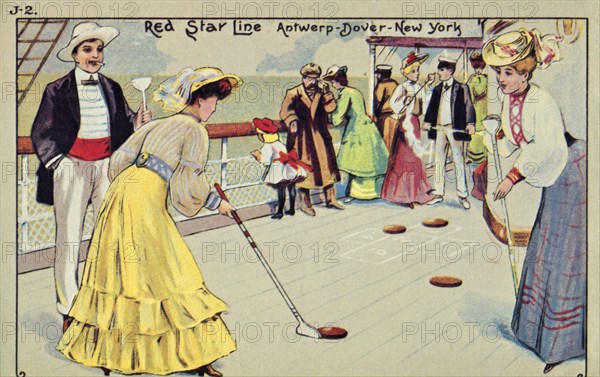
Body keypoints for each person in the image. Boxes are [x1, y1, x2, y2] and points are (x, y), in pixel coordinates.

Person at [56, 67, 242, 376]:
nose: (214, 108)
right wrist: (216, 202)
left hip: (121, 192)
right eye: (213, 101)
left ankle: (109, 350)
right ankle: (194, 354)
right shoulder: (195, 130)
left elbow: (120, 159)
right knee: (169, 268)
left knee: (118, 270)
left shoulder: (159, 123)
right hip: (145, 198)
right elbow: (188, 181)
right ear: (199, 101)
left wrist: (129, 185)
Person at [30, 22, 151, 332]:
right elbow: (41, 132)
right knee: (69, 240)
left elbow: (122, 126)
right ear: (74, 55)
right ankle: (69, 309)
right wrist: (58, 163)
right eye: (87, 50)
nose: (95, 55)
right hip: (71, 166)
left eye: (98, 50)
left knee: (109, 237)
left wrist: (137, 121)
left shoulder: (112, 87)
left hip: (106, 168)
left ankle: (106, 304)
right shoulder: (56, 90)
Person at [482, 28, 586, 374]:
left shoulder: (542, 101)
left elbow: (544, 147)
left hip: (572, 173)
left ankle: (564, 341)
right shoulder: (514, 98)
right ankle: (537, 334)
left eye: (508, 72)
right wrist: (495, 135)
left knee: (563, 250)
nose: (501, 78)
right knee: (545, 245)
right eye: (499, 71)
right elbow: (518, 139)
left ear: (526, 72)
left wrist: (512, 177)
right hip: (554, 174)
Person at [279, 63, 344, 216]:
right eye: (308, 78)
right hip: (302, 138)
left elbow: (330, 108)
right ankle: (305, 204)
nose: (312, 82)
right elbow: (284, 111)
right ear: (303, 78)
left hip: (320, 135)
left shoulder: (322, 93)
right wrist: (292, 120)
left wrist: (327, 93)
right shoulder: (293, 93)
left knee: (327, 167)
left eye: (314, 78)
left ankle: (331, 199)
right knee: (305, 170)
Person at [323, 65, 388, 201]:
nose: (332, 85)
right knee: (369, 161)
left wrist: (328, 112)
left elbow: (337, 119)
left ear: (337, 81)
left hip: (357, 130)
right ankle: (373, 192)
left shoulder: (345, 94)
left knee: (358, 161)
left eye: (333, 81)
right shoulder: (355, 91)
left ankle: (359, 193)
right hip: (367, 127)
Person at [381, 52, 435, 208]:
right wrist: (405, 100)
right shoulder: (402, 87)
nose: (416, 74)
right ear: (406, 72)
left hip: (415, 124)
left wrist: (429, 85)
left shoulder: (419, 87)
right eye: (413, 71)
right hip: (405, 125)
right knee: (404, 158)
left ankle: (416, 194)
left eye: (418, 71)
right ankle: (404, 195)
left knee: (415, 158)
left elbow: (426, 104)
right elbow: (394, 105)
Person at [423, 52, 476, 209]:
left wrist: (471, 123)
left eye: (442, 70)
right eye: (439, 70)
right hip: (440, 129)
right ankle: (438, 193)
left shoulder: (462, 88)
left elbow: (469, 105)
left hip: (455, 129)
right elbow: (432, 108)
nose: (439, 73)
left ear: (450, 71)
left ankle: (462, 196)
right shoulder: (438, 89)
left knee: (459, 160)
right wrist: (427, 122)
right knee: (439, 160)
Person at [250, 118, 308, 219]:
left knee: (281, 189)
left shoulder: (267, 146)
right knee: (291, 187)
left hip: (278, 169)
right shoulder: (279, 143)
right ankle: (292, 209)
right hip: (288, 167)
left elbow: (265, 161)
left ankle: (280, 211)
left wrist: (257, 155)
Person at [466, 52, 489, 163]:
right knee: (479, 133)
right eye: (476, 67)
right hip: (481, 109)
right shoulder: (486, 79)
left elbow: (469, 96)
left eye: (479, 67)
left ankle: (477, 158)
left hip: (479, 109)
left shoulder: (473, 80)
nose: (478, 70)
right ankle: (480, 158)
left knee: (477, 134)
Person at [373, 64, 398, 149]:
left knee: (383, 142)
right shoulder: (395, 83)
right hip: (395, 115)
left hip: (384, 116)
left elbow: (377, 100)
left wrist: (374, 113)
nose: (377, 76)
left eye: (378, 74)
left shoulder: (382, 85)